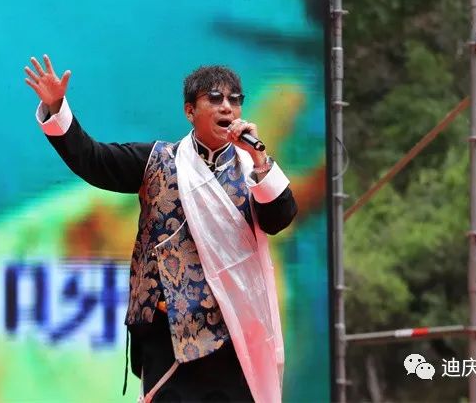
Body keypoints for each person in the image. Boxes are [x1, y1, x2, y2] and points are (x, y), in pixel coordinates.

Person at [25, 54, 297, 402]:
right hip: (167, 335)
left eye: (235, 99)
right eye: (215, 98)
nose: (227, 107)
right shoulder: (157, 161)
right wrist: (56, 107)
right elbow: (92, 160)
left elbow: (279, 219)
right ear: (189, 111)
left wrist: (260, 160)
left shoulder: (254, 170)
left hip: (234, 334)